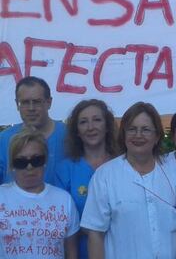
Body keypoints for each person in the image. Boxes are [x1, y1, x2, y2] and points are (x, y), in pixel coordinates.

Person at [80, 102, 176, 259]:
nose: (138, 135)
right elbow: (95, 234)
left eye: (146, 130)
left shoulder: (174, 170)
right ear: (124, 134)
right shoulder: (105, 176)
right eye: (132, 129)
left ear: (157, 136)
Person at [0, 129, 79, 259]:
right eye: (21, 162)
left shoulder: (64, 200)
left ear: (45, 161)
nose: (29, 167)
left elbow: (71, 252)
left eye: (36, 160)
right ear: (12, 165)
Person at [55, 99, 118, 259]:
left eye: (97, 120)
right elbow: (62, 221)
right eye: (83, 122)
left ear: (107, 126)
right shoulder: (65, 170)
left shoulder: (123, 165)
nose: (91, 127)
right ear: (76, 130)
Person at [0, 76, 66, 185]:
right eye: (25, 102)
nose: (31, 108)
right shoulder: (3, 140)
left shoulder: (69, 136)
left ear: (49, 102)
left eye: (37, 102)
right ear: (17, 104)